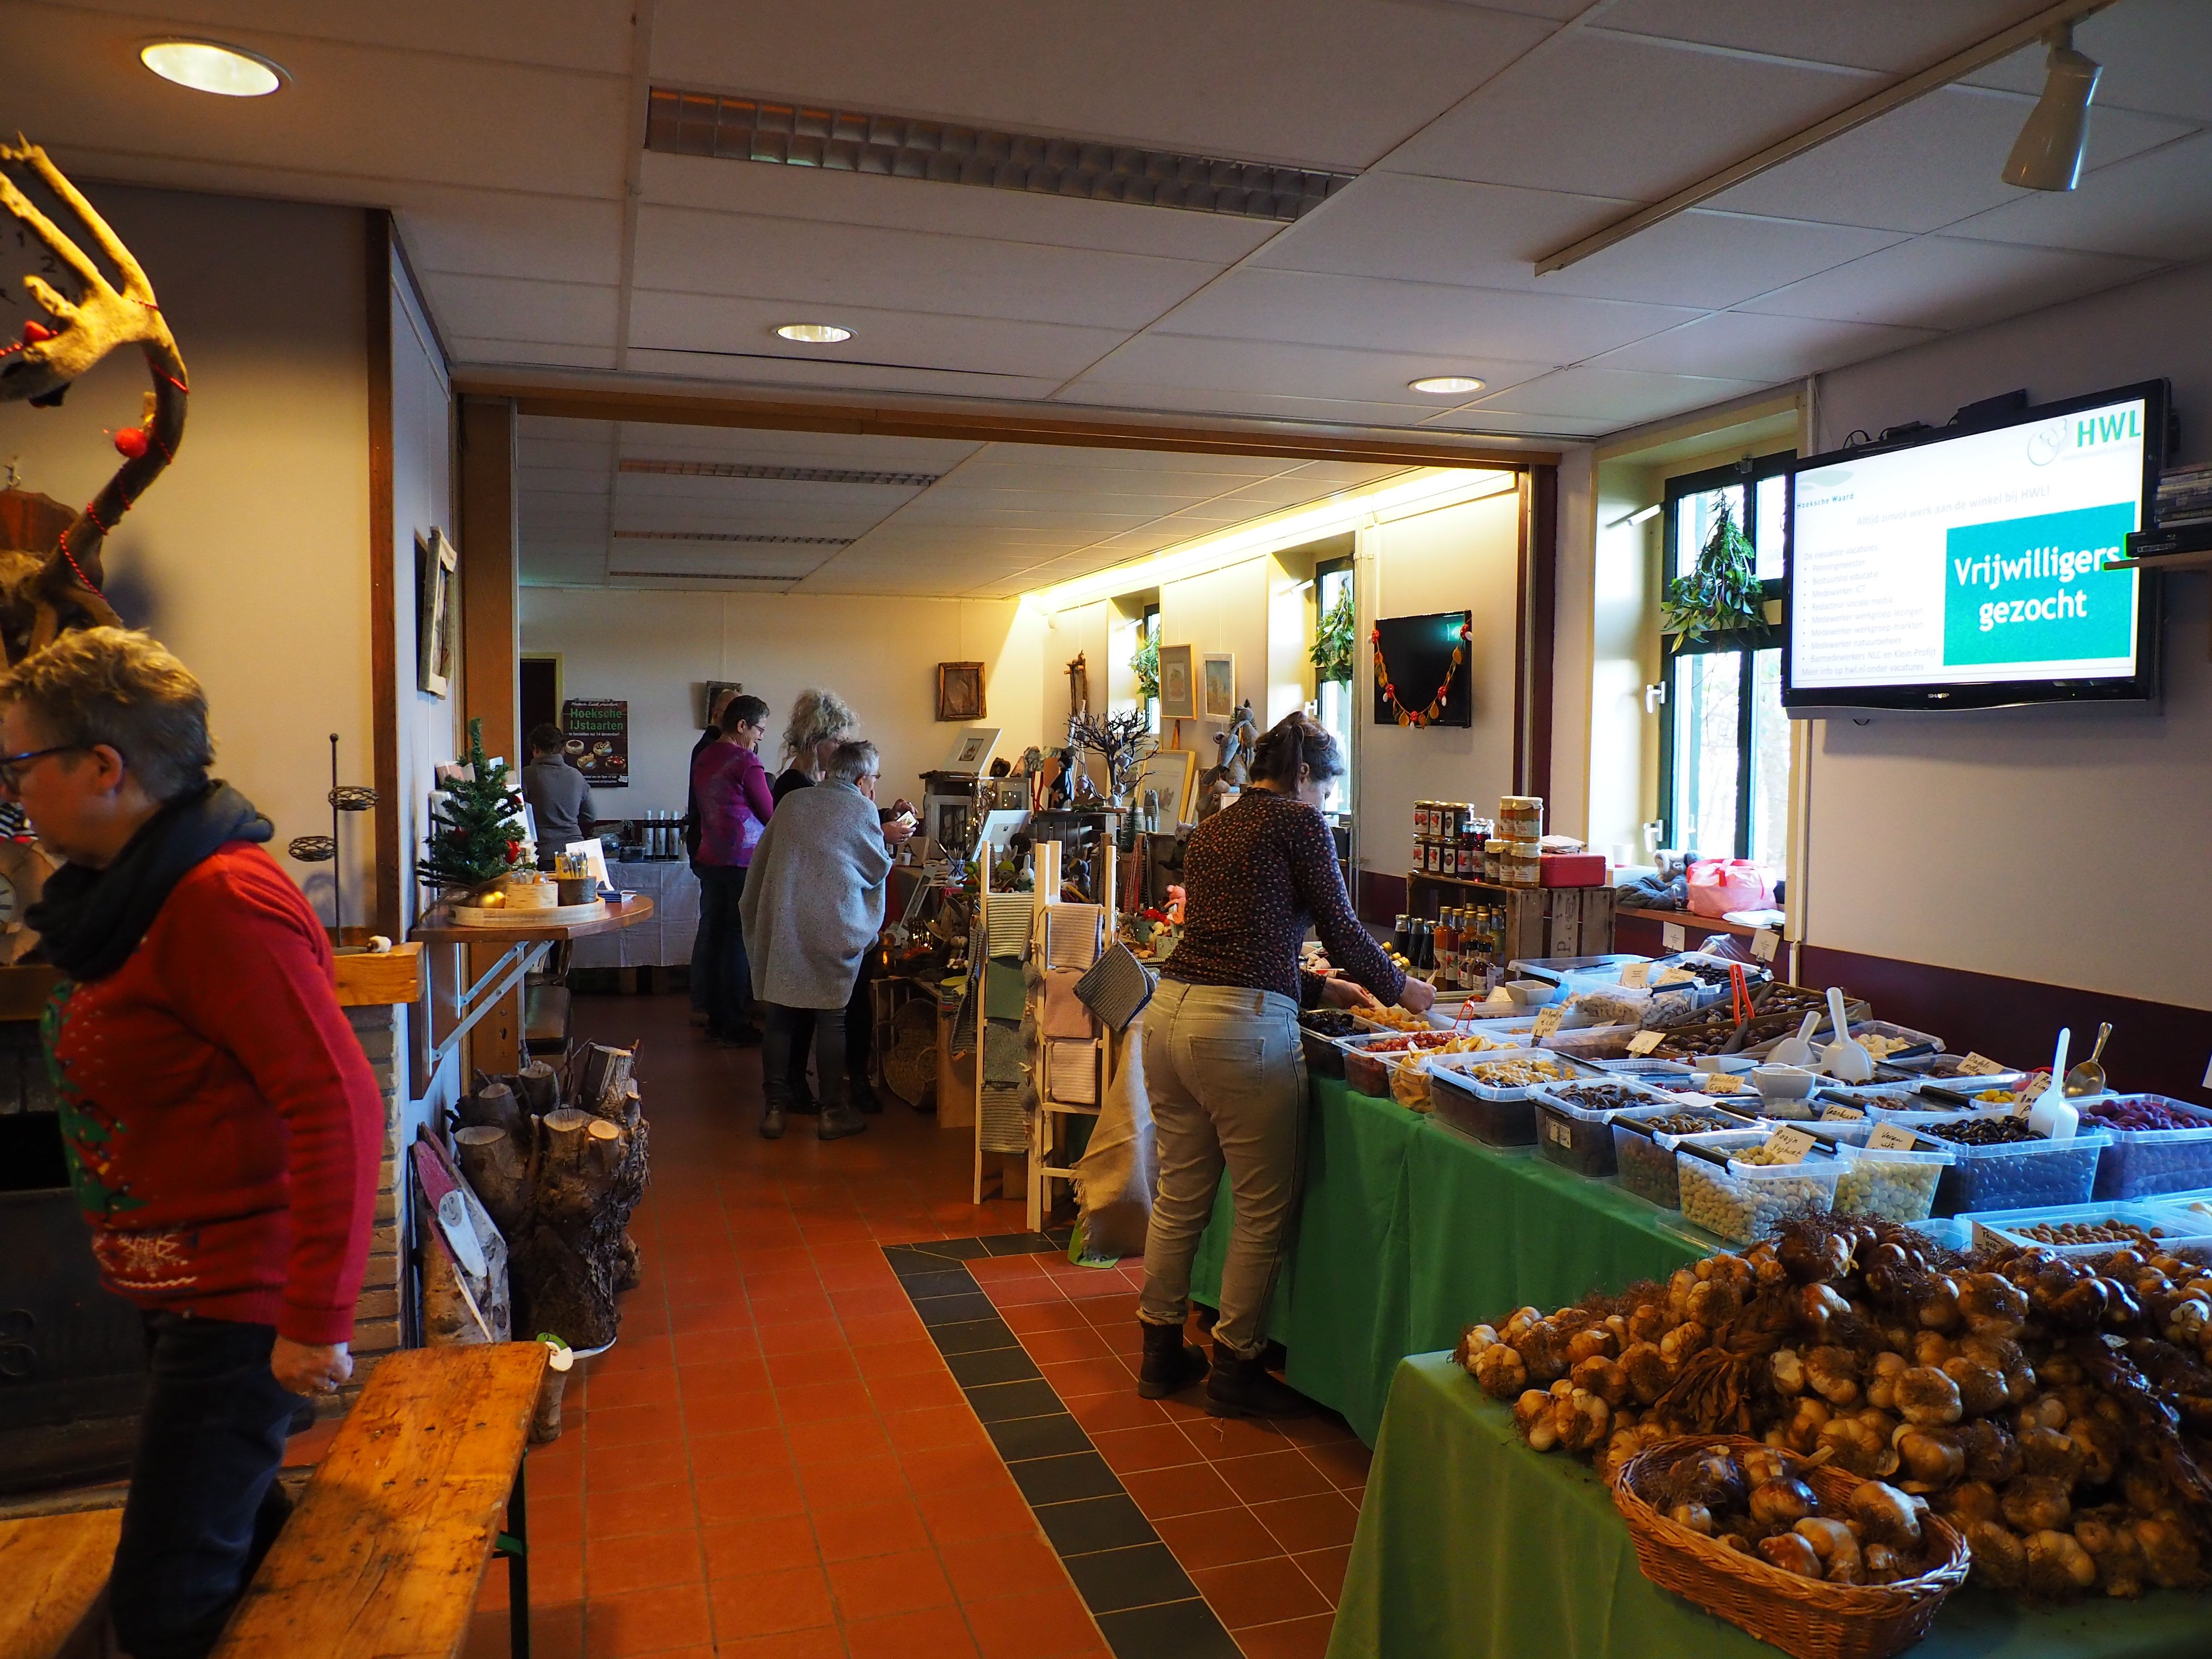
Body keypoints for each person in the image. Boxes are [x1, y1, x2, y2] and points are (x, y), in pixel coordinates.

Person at [0, 628, 380, 1659]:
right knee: (236, 1552)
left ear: (104, 766)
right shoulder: (134, 891)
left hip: (239, 1306)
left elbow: (338, 1102)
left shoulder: (221, 899)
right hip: (185, 1293)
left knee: (164, 1607)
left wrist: (316, 1320)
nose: (13, 789)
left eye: (20, 764)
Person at [1133, 711, 1431, 1420]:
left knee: (1180, 1195)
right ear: (1303, 776)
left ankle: (1159, 1352)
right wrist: (1409, 993)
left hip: (1169, 1015)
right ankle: (1236, 1369)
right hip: (1240, 1034)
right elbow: (1343, 931)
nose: (1325, 803)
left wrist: (1321, 989)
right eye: (1325, 789)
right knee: (1261, 1210)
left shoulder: (1217, 825)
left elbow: (1233, 939)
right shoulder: (1301, 825)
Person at [740, 739, 914, 1141]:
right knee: (832, 1017)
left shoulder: (792, 802)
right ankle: (833, 1112)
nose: (874, 785)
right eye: (875, 778)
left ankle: (775, 1111)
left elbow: (764, 861)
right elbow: (875, 868)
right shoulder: (861, 808)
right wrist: (888, 836)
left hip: (786, 922)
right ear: (862, 778)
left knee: (781, 1016)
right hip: (835, 926)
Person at [690, 693, 774, 1046]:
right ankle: (736, 1023)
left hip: (710, 857)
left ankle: (715, 1018)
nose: (760, 737)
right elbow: (770, 814)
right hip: (742, 861)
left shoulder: (704, 756)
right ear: (742, 726)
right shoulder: (746, 761)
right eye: (759, 730)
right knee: (738, 941)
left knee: (715, 937)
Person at [685, 688, 739, 1024]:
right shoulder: (712, 749)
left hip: (712, 846)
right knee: (718, 926)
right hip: (718, 848)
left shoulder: (712, 748)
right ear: (718, 715)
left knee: (718, 924)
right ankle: (709, 1002)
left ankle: (713, 1001)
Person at [519, 721, 593, 865]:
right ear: (562, 750)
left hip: (543, 854)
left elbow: (518, 816)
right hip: (576, 853)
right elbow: (590, 816)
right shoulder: (577, 776)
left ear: (535, 749)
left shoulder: (526, 775)